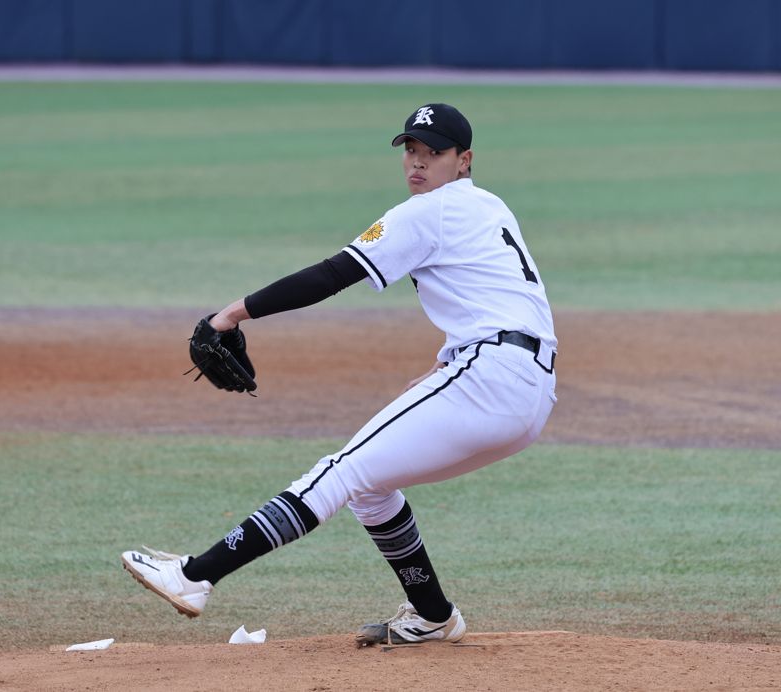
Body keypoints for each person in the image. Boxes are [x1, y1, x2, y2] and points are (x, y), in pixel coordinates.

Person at [121, 103, 558, 646]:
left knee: (340, 471)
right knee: (371, 489)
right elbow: (502, 299)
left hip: (490, 376)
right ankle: (432, 615)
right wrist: (443, 368)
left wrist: (229, 314)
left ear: (463, 160)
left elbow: (332, 275)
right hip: (529, 388)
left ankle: (194, 576)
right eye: (412, 151)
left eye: (434, 153)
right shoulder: (490, 207)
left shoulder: (425, 213)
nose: (418, 164)